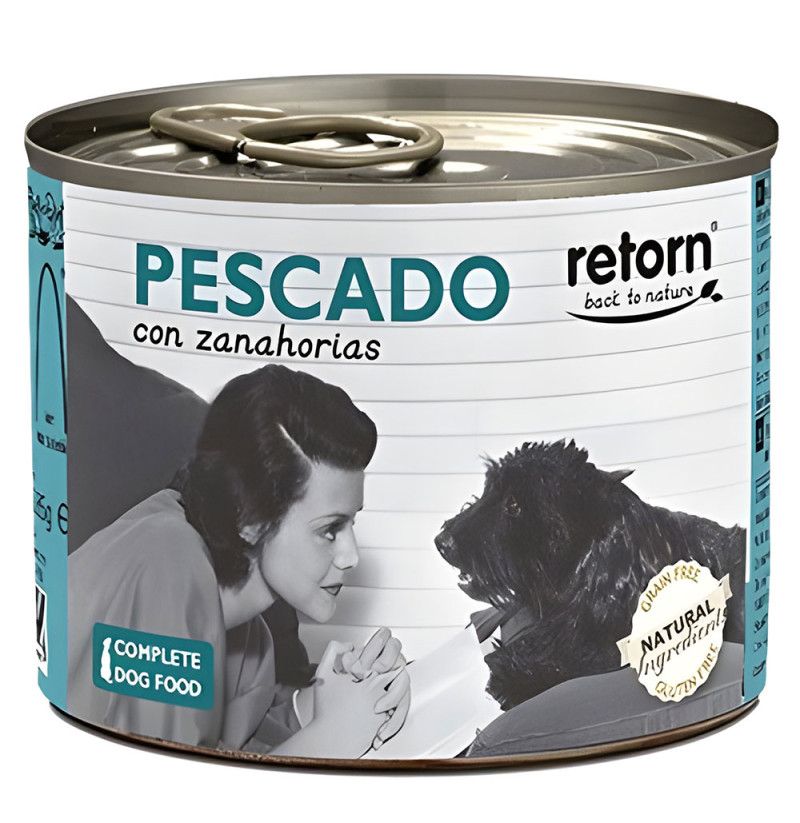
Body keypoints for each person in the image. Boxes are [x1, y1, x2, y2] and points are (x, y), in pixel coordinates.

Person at [67, 364, 409, 758]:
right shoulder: (166, 566)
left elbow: (230, 750)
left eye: (352, 523)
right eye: (330, 529)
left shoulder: (250, 639)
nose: (351, 556)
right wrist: (335, 734)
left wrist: (321, 701)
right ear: (250, 518)